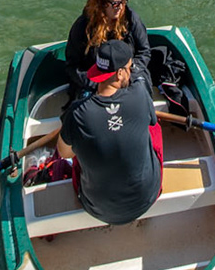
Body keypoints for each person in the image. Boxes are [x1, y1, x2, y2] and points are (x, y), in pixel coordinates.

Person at [57, 39, 163, 226]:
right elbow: (150, 120)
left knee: (77, 151)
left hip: (97, 208)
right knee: (154, 127)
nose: (130, 73)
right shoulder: (139, 94)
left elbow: (64, 153)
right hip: (146, 199)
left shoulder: (76, 112)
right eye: (129, 68)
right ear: (120, 73)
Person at [65, 0, 151, 95]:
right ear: (102, 2)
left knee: (141, 91)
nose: (121, 7)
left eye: (123, 1)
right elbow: (72, 66)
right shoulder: (83, 26)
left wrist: (129, 74)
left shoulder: (131, 19)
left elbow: (144, 52)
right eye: (115, 3)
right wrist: (96, 83)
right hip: (96, 83)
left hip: (127, 77)